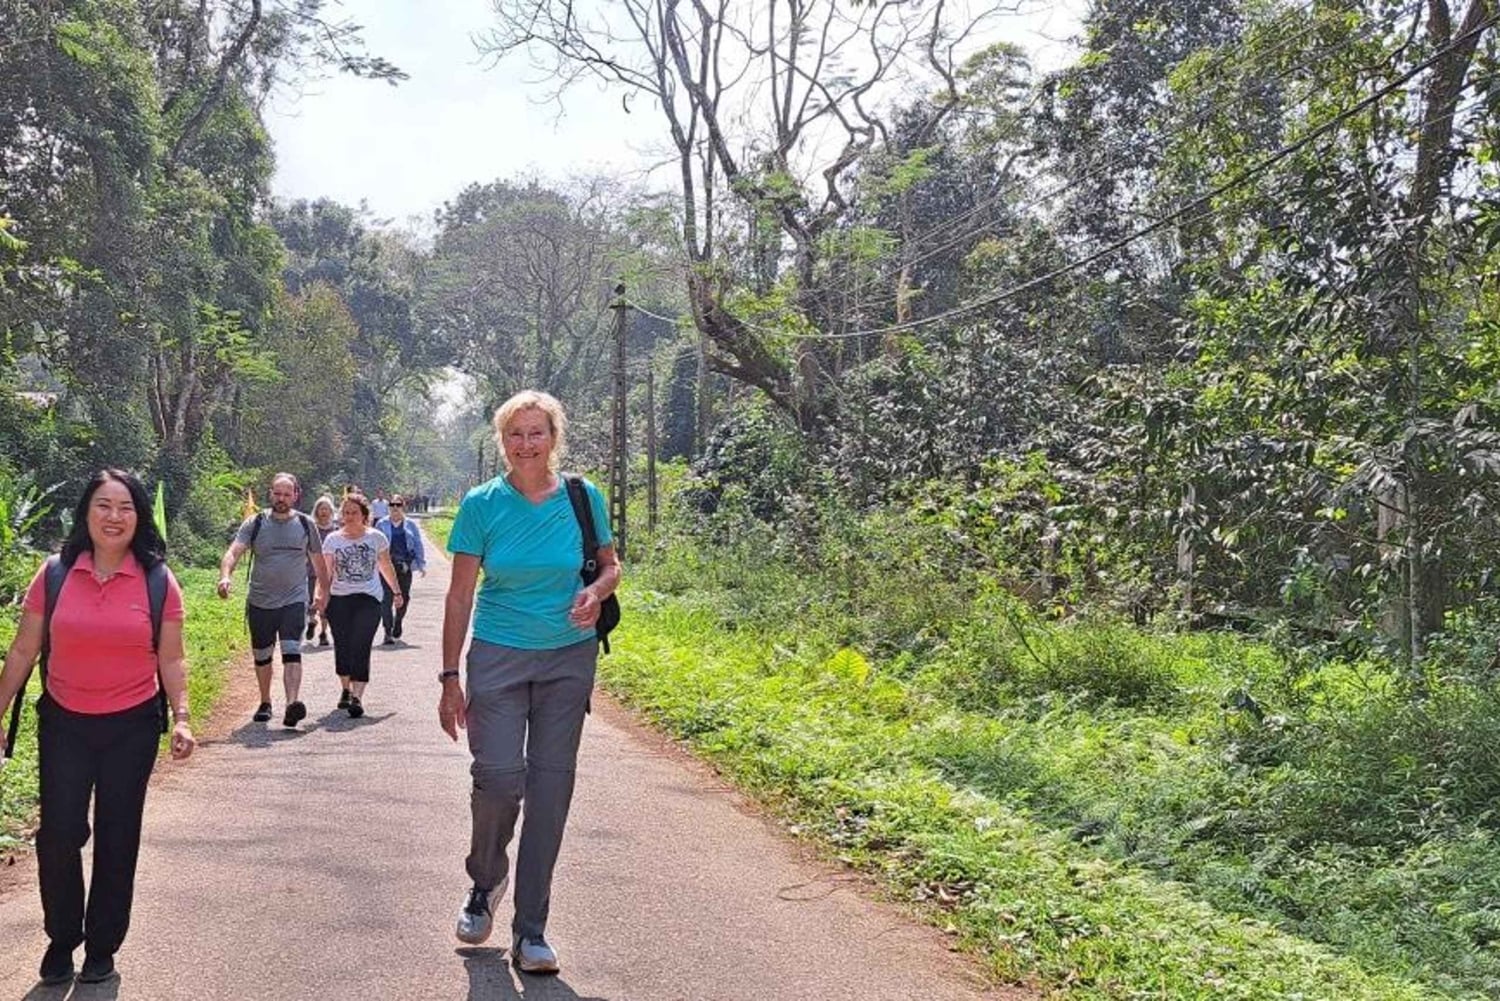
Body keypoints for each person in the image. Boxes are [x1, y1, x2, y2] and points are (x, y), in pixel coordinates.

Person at [439, 390, 620, 975]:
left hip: (568, 658)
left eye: (536, 432)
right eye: (515, 434)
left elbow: (610, 565)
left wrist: (596, 592)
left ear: (553, 437)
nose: (526, 444)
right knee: (497, 778)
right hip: (497, 655)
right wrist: (449, 677)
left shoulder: (583, 497)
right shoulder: (481, 505)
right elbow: (460, 595)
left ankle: (531, 930)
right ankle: (486, 880)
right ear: (502, 441)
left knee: (550, 788)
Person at [0, 469, 196, 987]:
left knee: (118, 835)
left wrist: (182, 717)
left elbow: (172, 658)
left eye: (125, 507)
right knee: (58, 834)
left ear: (139, 516)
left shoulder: (158, 581)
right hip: (64, 722)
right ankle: (62, 937)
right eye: (103, 506)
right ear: (86, 513)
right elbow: (23, 649)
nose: (114, 517)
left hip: (132, 726)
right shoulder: (55, 574)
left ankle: (102, 947)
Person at [217, 473, 330, 729]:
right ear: (270, 494)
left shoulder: (305, 524)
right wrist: (225, 577)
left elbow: (319, 562)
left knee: (292, 650)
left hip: (294, 599)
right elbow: (234, 551)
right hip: (260, 600)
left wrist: (323, 593)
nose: (281, 499)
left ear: (295, 496)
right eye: (277, 494)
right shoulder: (255, 522)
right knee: (262, 654)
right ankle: (265, 701)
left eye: (287, 494)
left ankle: (292, 704)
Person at [323, 492, 403, 718]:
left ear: (364, 515)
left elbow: (385, 566)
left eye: (354, 513)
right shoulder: (332, 540)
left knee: (361, 643)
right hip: (339, 598)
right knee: (343, 645)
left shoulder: (376, 537)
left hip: (369, 599)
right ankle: (345, 689)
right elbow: (326, 573)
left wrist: (396, 592)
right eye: (346, 512)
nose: (349, 517)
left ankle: (357, 696)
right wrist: (320, 596)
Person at [375, 493, 426, 645]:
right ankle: (387, 630)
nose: (395, 508)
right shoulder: (381, 524)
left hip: (404, 566)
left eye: (398, 505)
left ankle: (398, 621)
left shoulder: (410, 525)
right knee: (386, 598)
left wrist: (421, 564)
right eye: (392, 505)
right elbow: (374, 544)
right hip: (386, 566)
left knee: (404, 597)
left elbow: (418, 544)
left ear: (403, 507)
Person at [305, 495, 340, 647]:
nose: (324, 512)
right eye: (321, 509)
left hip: (330, 573)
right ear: (316, 511)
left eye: (326, 509)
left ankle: (323, 633)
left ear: (331, 511)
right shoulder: (311, 528)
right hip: (312, 571)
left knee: (327, 604)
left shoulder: (336, 530)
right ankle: (312, 621)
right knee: (312, 600)